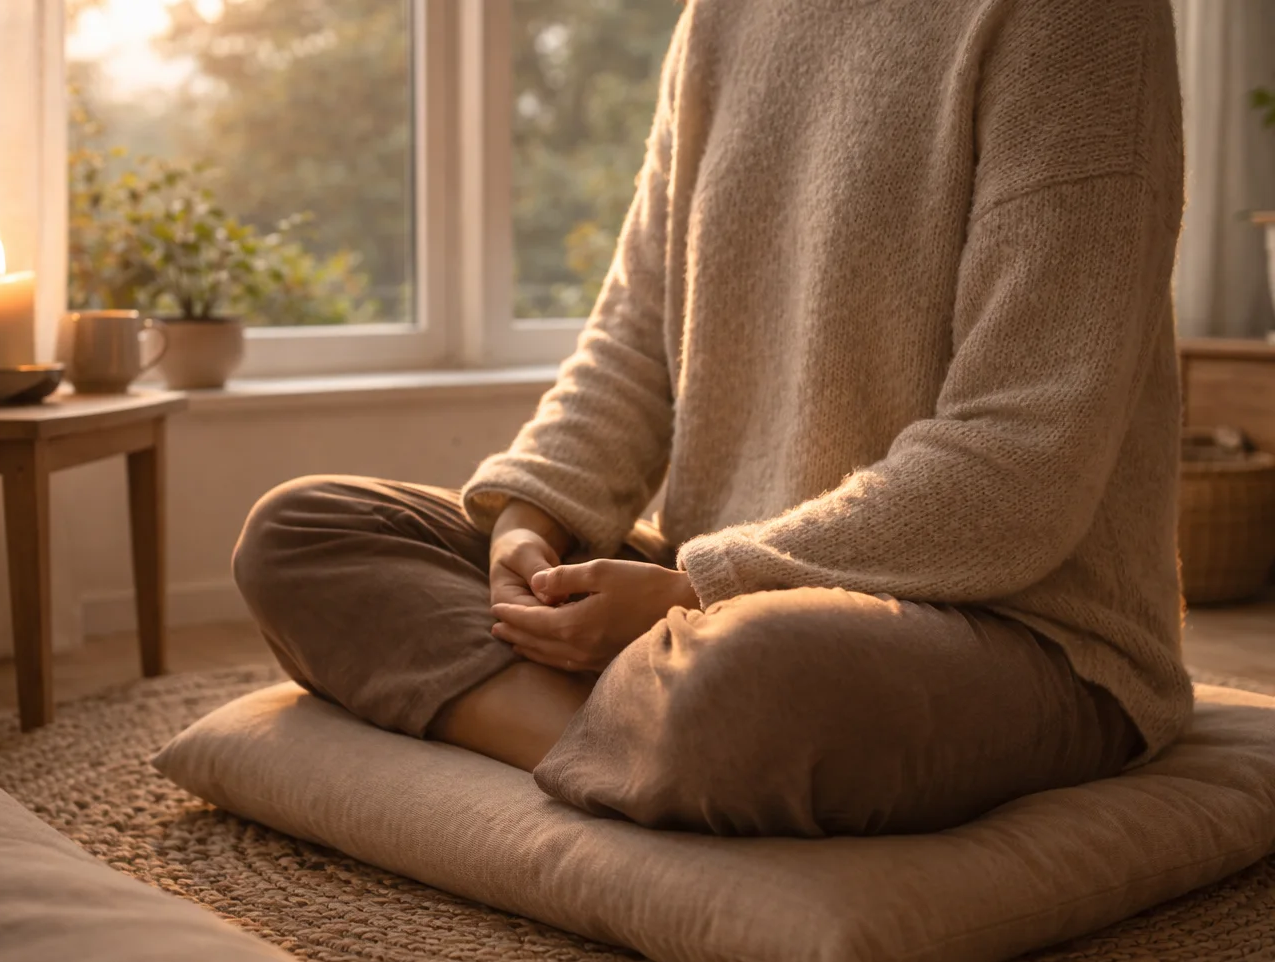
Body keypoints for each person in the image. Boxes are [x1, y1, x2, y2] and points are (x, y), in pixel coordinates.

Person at [234, 0, 1190, 838]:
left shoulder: (1082, 15)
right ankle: (641, 741)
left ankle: (651, 725)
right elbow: (634, 338)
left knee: (752, 683)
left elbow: (1019, 462)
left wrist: (705, 591)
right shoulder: (721, 15)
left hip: (1011, 626)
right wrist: (534, 516)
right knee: (303, 532)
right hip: (708, 594)